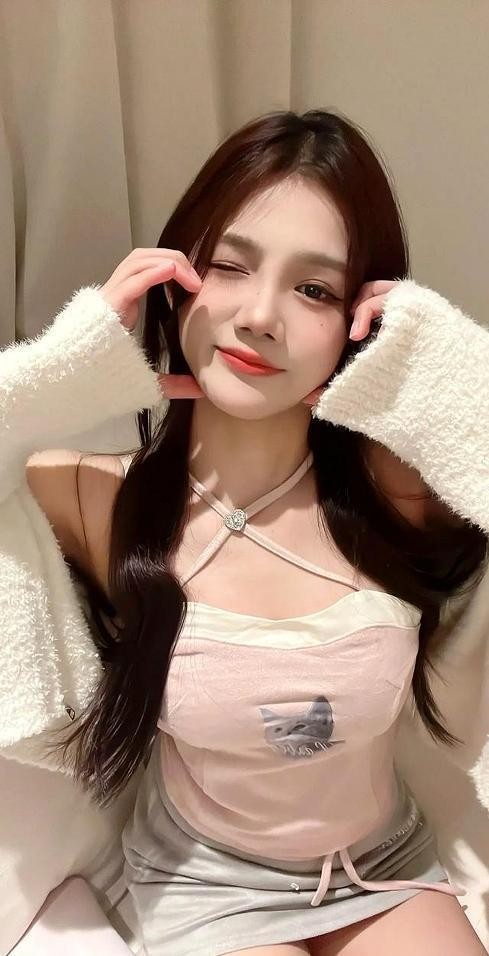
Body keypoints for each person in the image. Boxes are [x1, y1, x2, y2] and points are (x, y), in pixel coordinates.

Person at [2, 109, 488, 954]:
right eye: (229, 266)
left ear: (360, 316)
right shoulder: (93, 495)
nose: (260, 315)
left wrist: (445, 363)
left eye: (314, 290)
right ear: (174, 278)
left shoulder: (396, 489)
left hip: (382, 866)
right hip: (204, 883)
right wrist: (66, 366)